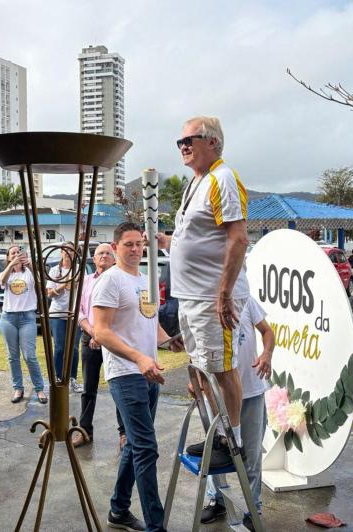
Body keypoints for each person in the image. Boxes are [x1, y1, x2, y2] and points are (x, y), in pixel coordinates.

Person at [157, 116, 250, 468]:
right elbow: (196, 237)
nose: (183, 146)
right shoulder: (196, 182)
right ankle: (217, 435)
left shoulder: (223, 178)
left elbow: (238, 238)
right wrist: (167, 242)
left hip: (213, 297)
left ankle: (233, 441)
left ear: (212, 142)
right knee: (202, 371)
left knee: (222, 368)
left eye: (189, 140)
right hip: (191, 297)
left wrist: (224, 293)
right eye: (179, 142)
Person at [93, 222, 183, 532]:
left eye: (138, 244)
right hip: (125, 373)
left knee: (134, 445)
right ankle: (156, 527)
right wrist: (139, 357)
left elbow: (149, 324)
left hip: (149, 374)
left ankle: (118, 510)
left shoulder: (146, 280)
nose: (135, 249)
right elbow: (101, 331)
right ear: (115, 247)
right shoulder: (110, 281)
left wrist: (169, 340)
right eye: (128, 244)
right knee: (146, 448)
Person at [200, 297, 274, 530]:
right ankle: (217, 499)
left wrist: (267, 354)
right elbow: (197, 345)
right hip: (219, 393)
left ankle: (254, 507)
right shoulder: (203, 302)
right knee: (217, 448)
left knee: (250, 455)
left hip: (251, 391)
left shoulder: (246, 301)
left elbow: (267, 332)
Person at [74, 242, 125, 448]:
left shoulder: (119, 280)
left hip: (114, 340)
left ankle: (124, 433)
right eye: (99, 253)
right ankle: (84, 431)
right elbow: (79, 311)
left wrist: (103, 334)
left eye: (108, 253)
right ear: (93, 260)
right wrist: (95, 332)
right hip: (89, 339)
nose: (104, 256)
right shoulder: (85, 281)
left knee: (119, 387)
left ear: (114, 258)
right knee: (88, 388)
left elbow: (121, 313)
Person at [0, 245, 46, 404]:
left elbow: (41, 282)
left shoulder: (29, 273)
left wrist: (31, 264)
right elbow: (2, 281)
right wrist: (11, 265)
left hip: (27, 317)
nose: (16, 255)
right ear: (8, 257)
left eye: (19, 252)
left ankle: (39, 389)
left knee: (30, 356)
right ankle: (18, 388)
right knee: (13, 356)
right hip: (8, 318)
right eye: (12, 253)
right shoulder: (6, 274)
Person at [46, 248, 83, 393]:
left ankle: (72, 378)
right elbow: (49, 294)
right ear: (61, 253)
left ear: (75, 253)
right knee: (60, 347)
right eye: (65, 251)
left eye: (71, 251)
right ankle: (59, 377)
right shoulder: (55, 270)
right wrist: (63, 286)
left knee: (73, 348)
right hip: (57, 313)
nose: (68, 254)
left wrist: (73, 283)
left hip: (74, 314)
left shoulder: (80, 269)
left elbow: (82, 289)